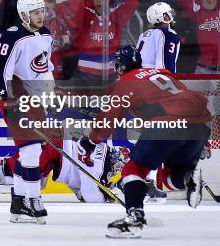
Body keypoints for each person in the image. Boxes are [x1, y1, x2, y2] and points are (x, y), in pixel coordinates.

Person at [79, 46, 211, 238]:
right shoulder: (161, 73)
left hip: (167, 124)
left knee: (133, 170)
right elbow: (187, 101)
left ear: (121, 67)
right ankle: (189, 178)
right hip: (200, 125)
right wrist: (204, 143)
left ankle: (134, 218)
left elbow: (109, 119)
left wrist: (91, 142)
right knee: (168, 178)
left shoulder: (123, 84)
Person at [0, 0, 55, 224]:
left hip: (37, 101)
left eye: (42, 11)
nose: (41, 15)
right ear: (24, 15)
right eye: (36, 12)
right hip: (17, 99)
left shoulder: (46, 34)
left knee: (29, 152)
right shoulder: (11, 37)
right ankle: (33, 200)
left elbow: (45, 67)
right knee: (30, 151)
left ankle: (18, 204)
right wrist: (6, 99)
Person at [0, 140, 128, 203]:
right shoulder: (98, 163)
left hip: (49, 148)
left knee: (11, 168)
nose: (117, 169)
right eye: (118, 165)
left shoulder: (101, 148)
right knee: (14, 180)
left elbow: (79, 187)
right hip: (48, 153)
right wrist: (109, 196)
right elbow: (89, 196)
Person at [136, 2, 180, 73]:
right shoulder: (169, 34)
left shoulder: (144, 34)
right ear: (164, 16)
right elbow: (165, 66)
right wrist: (168, 81)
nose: (171, 15)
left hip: (138, 75)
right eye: (169, 13)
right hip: (151, 78)